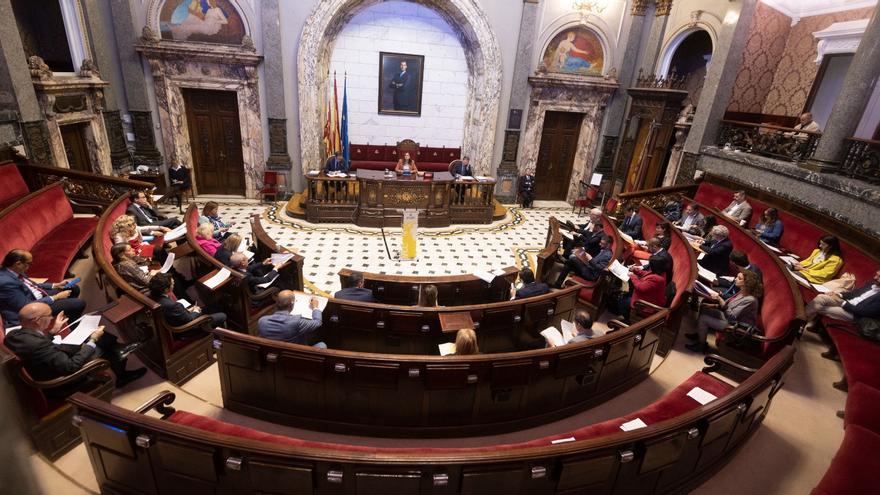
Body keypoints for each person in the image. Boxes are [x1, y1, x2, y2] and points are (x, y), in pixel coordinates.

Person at [4, 303, 146, 395]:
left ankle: (119, 352)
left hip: (50, 361)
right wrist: (93, 340)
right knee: (98, 344)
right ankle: (121, 368)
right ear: (37, 320)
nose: (52, 317)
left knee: (95, 339)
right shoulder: (38, 345)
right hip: (60, 383)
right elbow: (70, 367)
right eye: (49, 316)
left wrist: (53, 331)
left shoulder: (13, 335)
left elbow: (37, 345)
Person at [0, 250, 86, 326]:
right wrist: (56, 297)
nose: (29, 267)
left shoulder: (13, 270)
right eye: (28, 264)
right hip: (31, 310)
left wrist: (55, 285)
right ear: (18, 263)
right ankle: (74, 327)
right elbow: (26, 306)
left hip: (36, 296)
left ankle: (70, 316)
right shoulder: (6, 282)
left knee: (73, 288)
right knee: (79, 303)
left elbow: (31, 285)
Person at [686, 269, 762, 353]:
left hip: (737, 326)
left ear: (747, 283)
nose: (735, 279)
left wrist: (719, 299)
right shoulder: (742, 291)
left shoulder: (750, 300)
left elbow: (731, 316)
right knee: (705, 309)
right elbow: (729, 304)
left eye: (739, 278)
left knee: (704, 319)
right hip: (729, 319)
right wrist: (714, 305)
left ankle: (701, 345)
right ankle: (699, 335)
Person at [149, 273, 225, 336]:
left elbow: (177, 314)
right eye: (172, 284)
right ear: (166, 289)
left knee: (210, 307)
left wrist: (188, 310)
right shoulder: (173, 306)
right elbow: (189, 320)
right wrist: (195, 311)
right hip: (186, 330)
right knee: (222, 315)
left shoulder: (153, 297)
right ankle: (218, 338)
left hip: (177, 321)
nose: (173, 284)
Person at [803, 270, 880, 330]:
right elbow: (853, 293)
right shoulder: (871, 284)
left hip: (855, 315)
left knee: (819, 307)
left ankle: (798, 323)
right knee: (821, 297)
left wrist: (841, 302)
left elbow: (864, 312)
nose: (875, 278)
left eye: (879, 277)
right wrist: (838, 295)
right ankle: (800, 321)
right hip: (846, 303)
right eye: (876, 274)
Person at [257, 290, 326, 348]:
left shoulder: (262, 321)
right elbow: (317, 322)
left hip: (274, 354)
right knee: (322, 345)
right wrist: (315, 307)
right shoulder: (296, 322)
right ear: (291, 304)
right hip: (296, 355)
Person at [616, 257, 668, 321]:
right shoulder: (660, 272)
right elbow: (646, 274)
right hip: (646, 297)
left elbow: (641, 288)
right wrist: (635, 270)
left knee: (623, 301)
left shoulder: (657, 279)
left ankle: (628, 321)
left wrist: (633, 276)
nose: (649, 267)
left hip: (647, 304)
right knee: (625, 295)